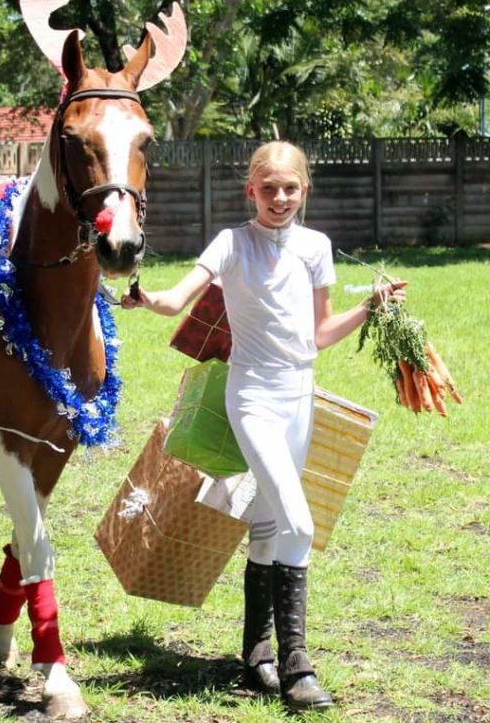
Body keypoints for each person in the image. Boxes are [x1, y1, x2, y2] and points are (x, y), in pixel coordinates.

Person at [122, 141, 406, 711]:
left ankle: (257, 656)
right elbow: (178, 298)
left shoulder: (316, 247)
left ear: (304, 191)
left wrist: (371, 307)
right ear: (250, 190)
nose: (280, 198)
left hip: (300, 395)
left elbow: (320, 334)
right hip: (250, 395)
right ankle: (299, 663)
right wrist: (148, 297)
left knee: (271, 523)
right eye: (269, 188)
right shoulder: (232, 243)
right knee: (298, 519)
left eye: (290, 188)